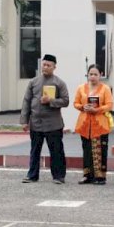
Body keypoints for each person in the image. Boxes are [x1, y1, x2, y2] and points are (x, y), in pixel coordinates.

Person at [20, 54, 70, 184]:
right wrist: (24, 121)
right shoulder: (33, 82)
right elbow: (26, 101)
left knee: (56, 151)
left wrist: (51, 100)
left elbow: (65, 101)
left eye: (49, 65)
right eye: (44, 64)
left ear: (54, 67)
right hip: (36, 123)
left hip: (53, 124)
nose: (45, 67)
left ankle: (59, 176)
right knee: (35, 150)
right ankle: (32, 175)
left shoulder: (59, 83)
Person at [73, 64, 113, 185]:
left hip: (100, 124)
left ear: (100, 75)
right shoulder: (81, 88)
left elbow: (110, 105)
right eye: (91, 74)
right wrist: (82, 107)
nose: (93, 77)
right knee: (86, 150)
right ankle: (87, 175)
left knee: (101, 149)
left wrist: (98, 110)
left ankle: (100, 177)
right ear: (88, 75)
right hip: (85, 124)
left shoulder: (105, 88)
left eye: (95, 74)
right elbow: (75, 103)